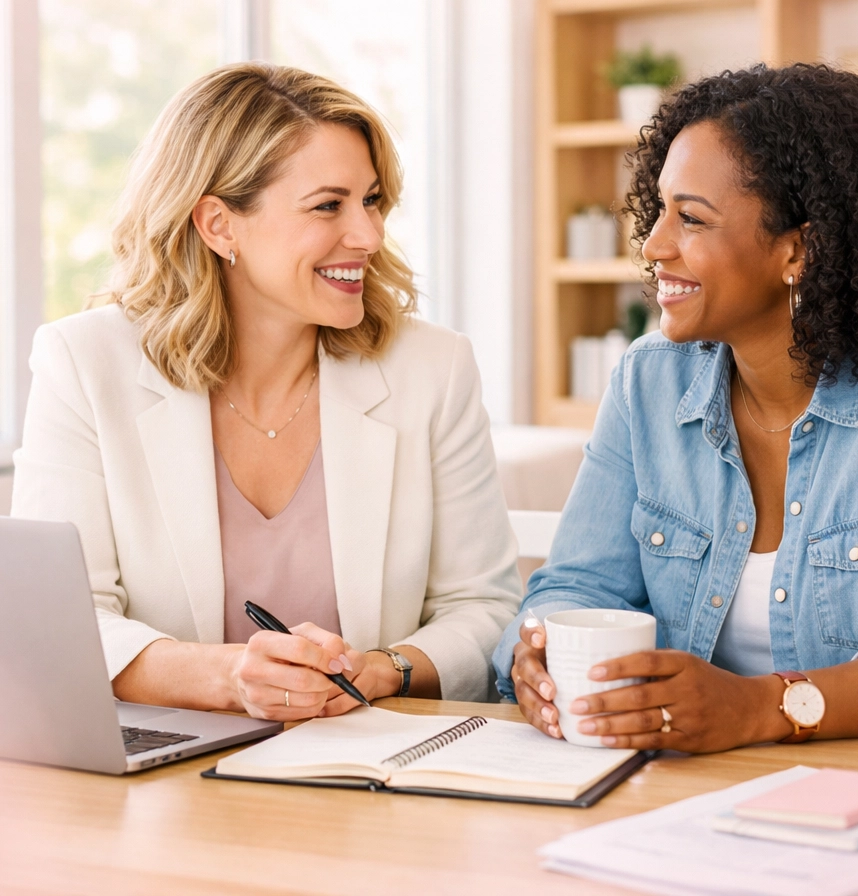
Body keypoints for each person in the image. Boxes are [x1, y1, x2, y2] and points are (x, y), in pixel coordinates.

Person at [495, 63, 858, 750]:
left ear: (797, 249)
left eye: (691, 219)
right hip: (676, 791)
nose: (653, 246)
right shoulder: (648, 382)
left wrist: (757, 709)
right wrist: (538, 652)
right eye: (658, 211)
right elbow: (575, 585)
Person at [13, 62, 521, 721]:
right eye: (327, 206)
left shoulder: (432, 367)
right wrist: (228, 677)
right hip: (167, 780)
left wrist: (386, 669)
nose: (367, 235)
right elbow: (57, 623)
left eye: (371, 200)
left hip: (369, 770)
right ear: (220, 225)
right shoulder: (84, 363)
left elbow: (483, 607)